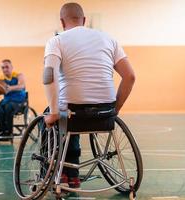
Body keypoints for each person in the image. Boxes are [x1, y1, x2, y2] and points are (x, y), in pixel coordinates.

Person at [43, 3, 135, 188]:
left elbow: (49, 76)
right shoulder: (109, 39)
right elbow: (130, 76)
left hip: (73, 114)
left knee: (53, 116)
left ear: (62, 22)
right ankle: (73, 175)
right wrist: (114, 110)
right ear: (84, 21)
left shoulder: (57, 40)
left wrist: (52, 112)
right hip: (105, 115)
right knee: (69, 113)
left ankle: (58, 175)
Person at [0, 59, 26, 136]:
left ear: (11, 67)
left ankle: (9, 132)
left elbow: (22, 86)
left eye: (7, 67)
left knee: (8, 108)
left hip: (19, 101)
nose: (5, 69)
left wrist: (10, 88)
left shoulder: (19, 75)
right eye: (3, 67)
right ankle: (3, 131)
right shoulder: (1, 79)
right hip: (7, 101)